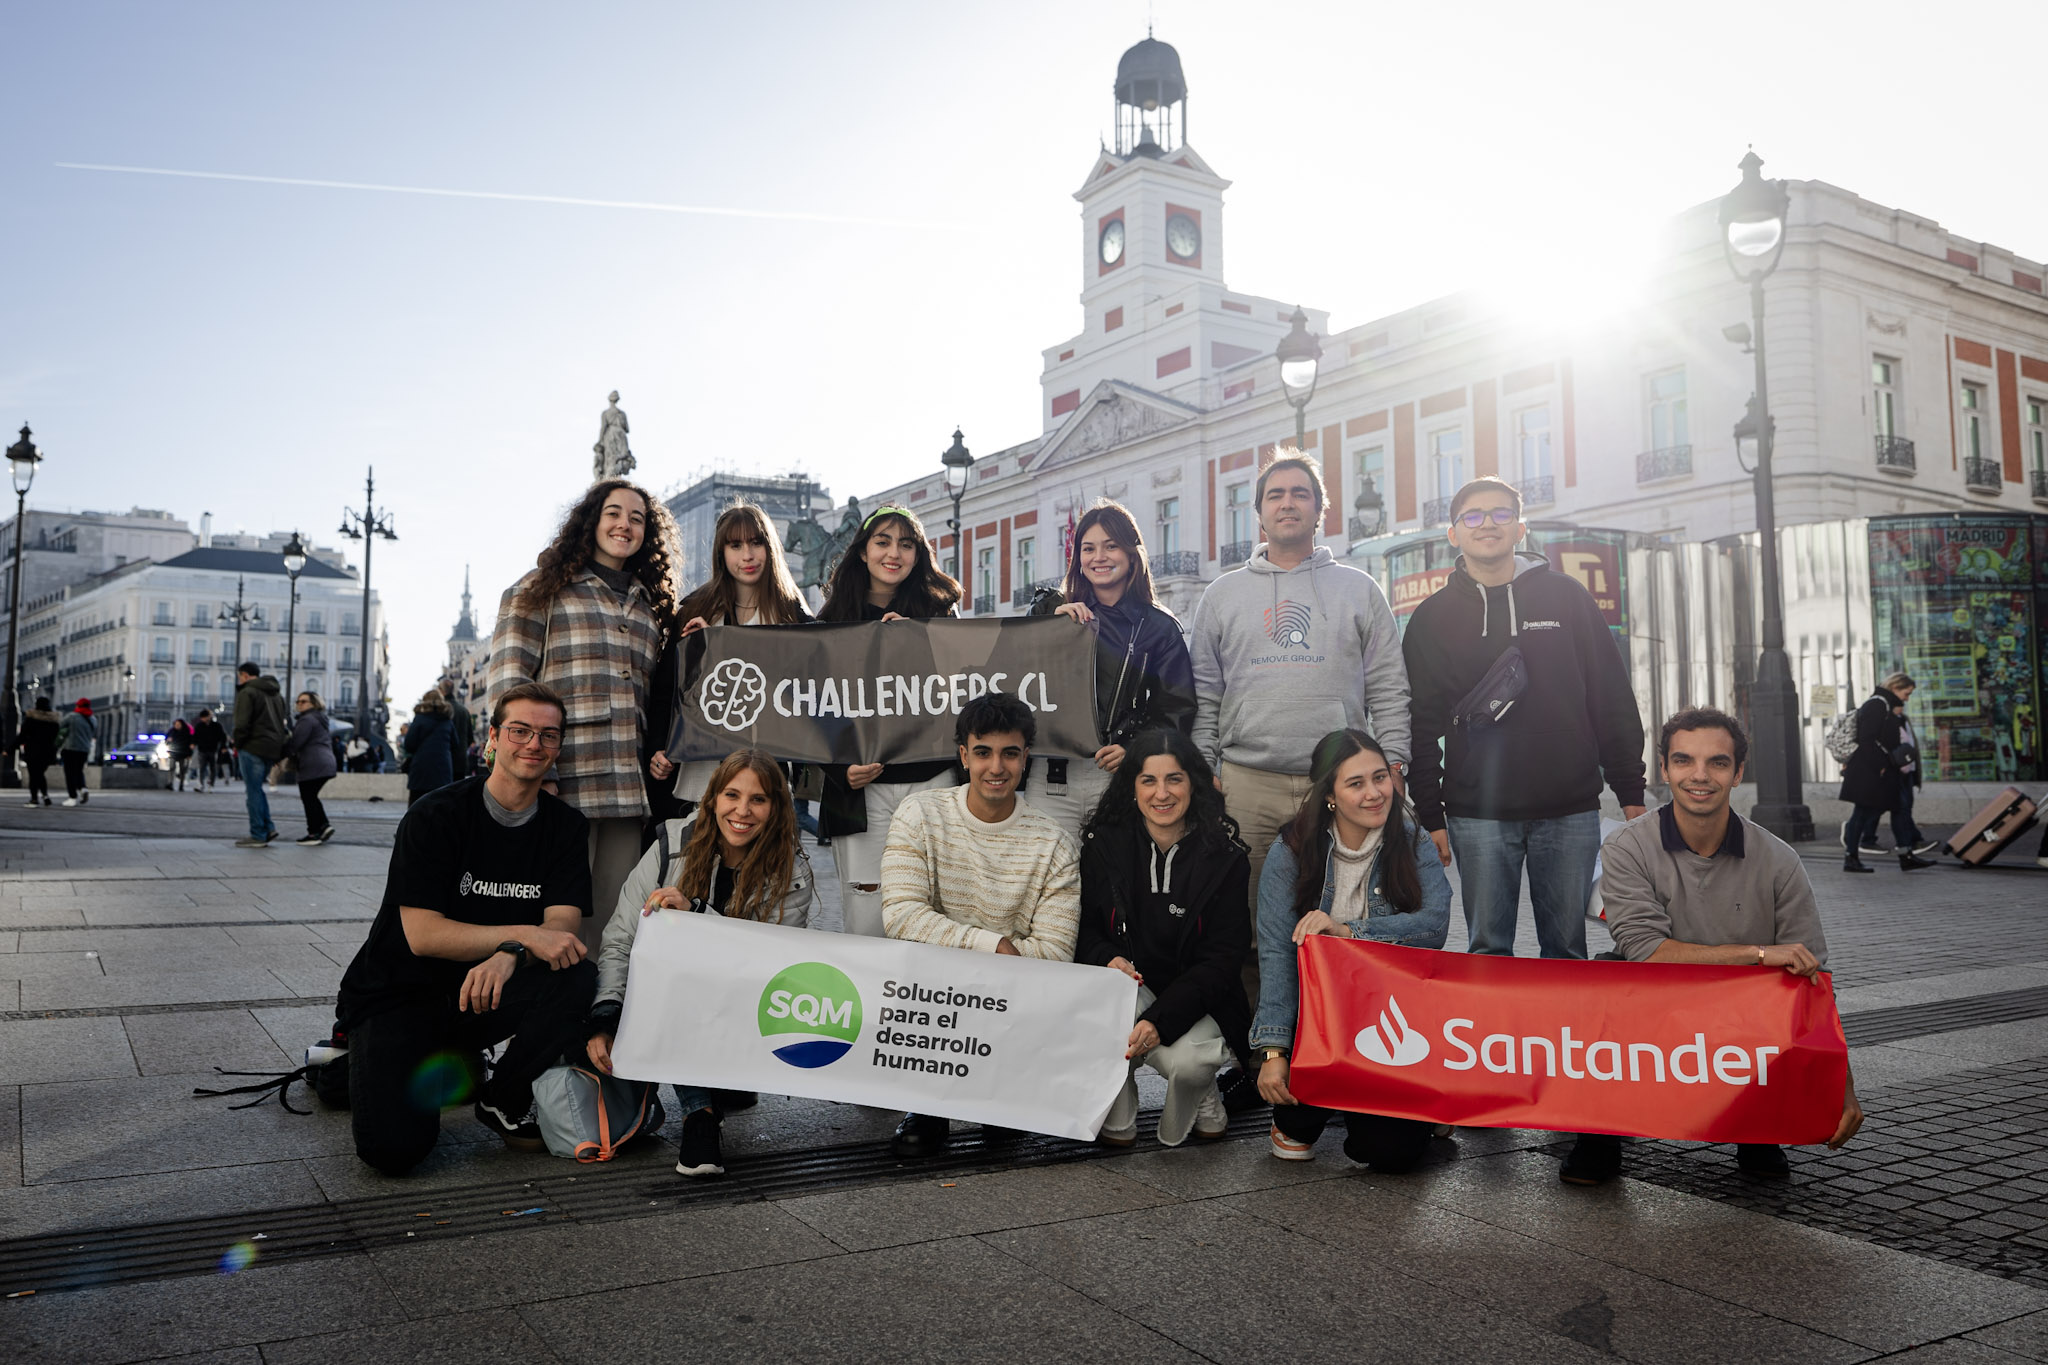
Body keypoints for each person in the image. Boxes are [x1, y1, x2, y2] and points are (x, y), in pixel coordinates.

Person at [1586, 706, 1864, 1185]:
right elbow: (1645, 950)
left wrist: (1843, 1084)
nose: (1699, 775)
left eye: (1717, 762)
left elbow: (1812, 980)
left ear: (1737, 774)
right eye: (1684, 760)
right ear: (1665, 769)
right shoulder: (1627, 846)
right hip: (1658, 1001)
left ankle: (1757, 1131)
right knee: (1601, 983)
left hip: (1742, 1009)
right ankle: (1598, 1134)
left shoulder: (1779, 859)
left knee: (1782, 992)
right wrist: (1758, 954)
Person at [335, 682, 595, 1175]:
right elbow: (424, 935)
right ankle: (348, 1063)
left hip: (481, 993)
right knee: (393, 1154)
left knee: (578, 976)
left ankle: (503, 1097)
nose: (534, 744)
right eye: (520, 731)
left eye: (547, 735)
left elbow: (561, 929)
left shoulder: (565, 825)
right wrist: (524, 936)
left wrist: (510, 952)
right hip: (400, 993)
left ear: (559, 747)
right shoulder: (435, 815)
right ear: (492, 738)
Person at [1403, 476, 1646, 959]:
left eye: (1501, 513)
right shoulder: (1431, 618)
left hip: (1570, 809)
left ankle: (1562, 1016)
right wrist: (1430, 813)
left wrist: (1631, 793)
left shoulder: (1568, 597)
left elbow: (1610, 697)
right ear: (1453, 533)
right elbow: (1421, 724)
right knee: (1488, 952)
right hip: (1477, 814)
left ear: (1520, 528)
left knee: (1567, 952)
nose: (1487, 524)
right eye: (1473, 515)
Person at [1189, 453, 1411, 899]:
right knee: (1246, 917)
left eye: (1299, 494)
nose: (1287, 503)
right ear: (1259, 513)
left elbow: (1389, 687)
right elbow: (1203, 694)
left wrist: (1394, 762)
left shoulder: (1360, 590)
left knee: (1339, 911)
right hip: (1246, 786)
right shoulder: (1220, 596)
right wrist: (1203, 768)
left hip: (1340, 781)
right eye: (1275, 495)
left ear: (1318, 509)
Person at [586, 749, 815, 1179]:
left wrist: (695, 913)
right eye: (732, 795)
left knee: (695, 965)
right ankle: (700, 1115)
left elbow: (772, 963)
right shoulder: (670, 845)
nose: (742, 811)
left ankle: (724, 1085)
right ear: (712, 798)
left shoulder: (793, 867)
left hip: (745, 1011)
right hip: (672, 1002)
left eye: (759, 799)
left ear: (777, 807)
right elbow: (619, 940)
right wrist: (607, 1017)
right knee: (669, 964)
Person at [879, 691, 1080, 1157]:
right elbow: (901, 916)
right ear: (963, 755)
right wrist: (992, 945)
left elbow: (1055, 953)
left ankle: (1001, 1092)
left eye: (1010, 753)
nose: (996, 767)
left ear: (1026, 759)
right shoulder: (919, 814)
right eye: (983, 752)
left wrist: (987, 955)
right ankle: (927, 1103)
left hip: (1009, 1000)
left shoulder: (1054, 843)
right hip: (932, 999)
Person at [489, 478, 682, 952]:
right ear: (591, 521)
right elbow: (510, 685)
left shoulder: (649, 605)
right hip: (561, 782)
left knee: (615, 919)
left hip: (626, 791)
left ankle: (599, 998)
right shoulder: (541, 589)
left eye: (637, 518)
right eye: (613, 513)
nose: (624, 525)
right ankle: (537, 998)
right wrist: (536, 770)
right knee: (547, 911)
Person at [1251, 729, 1452, 1170]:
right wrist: (1274, 1052)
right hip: (1322, 1020)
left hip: (1394, 1015)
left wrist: (1347, 931)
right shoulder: (1291, 851)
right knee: (1294, 1131)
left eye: (1380, 777)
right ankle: (1321, 1109)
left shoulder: (1412, 838)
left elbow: (1435, 926)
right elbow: (1277, 955)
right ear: (1330, 795)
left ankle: (1417, 1101)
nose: (1374, 793)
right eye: (1355, 783)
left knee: (1391, 1153)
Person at [1077, 728, 1248, 1148]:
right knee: (1110, 1010)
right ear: (1131, 786)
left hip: (1198, 1000)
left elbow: (1223, 960)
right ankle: (1118, 1113)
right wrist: (1106, 958)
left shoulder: (1226, 858)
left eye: (1174, 779)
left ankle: (1201, 1093)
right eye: (1148, 780)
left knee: (1188, 1064)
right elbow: (1084, 929)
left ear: (1194, 783)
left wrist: (1160, 1020)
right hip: (1127, 991)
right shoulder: (1103, 844)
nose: (1162, 793)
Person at [817, 505, 963, 936]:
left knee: (935, 908)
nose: (894, 553)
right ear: (863, 552)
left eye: (906, 544)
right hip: (859, 791)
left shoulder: (941, 613)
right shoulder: (830, 621)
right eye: (882, 542)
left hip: (932, 779)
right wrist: (839, 769)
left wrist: (920, 640)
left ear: (919, 555)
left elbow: (965, 687)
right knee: (865, 912)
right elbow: (812, 708)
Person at [1033, 500, 1197, 840]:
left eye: (1111, 546)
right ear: (1078, 558)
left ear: (1132, 554)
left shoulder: (1160, 628)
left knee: (1113, 872)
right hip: (1050, 776)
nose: (1099, 557)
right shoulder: (1052, 611)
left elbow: (1177, 709)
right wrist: (1048, 626)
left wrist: (1136, 747)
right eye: (1088, 548)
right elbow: (1016, 673)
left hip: (1117, 775)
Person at [666, 502, 813, 811]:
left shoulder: (793, 614)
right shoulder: (694, 610)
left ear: (769, 548)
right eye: (735, 545)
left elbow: (821, 678)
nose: (747, 555)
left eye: (756, 543)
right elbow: (668, 688)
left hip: (769, 773)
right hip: (703, 774)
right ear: (721, 552)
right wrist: (660, 747)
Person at [1839, 673, 1936, 874]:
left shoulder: (1885, 705)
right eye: (1906, 693)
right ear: (1895, 688)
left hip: (1884, 770)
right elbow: (1867, 739)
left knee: (1899, 808)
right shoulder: (1877, 705)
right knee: (1863, 813)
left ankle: (1905, 855)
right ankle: (1851, 857)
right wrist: (1882, 764)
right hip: (1872, 771)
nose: (1907, 699)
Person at [230, 664, 288, 844]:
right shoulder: (277, 695)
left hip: (252, 746)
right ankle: (268, 828)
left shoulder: (247, 692)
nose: (239, 680)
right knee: (257, 790)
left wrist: (238, 743)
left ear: (245, 675)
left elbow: (242, 723)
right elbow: (282, 723)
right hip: (272, 748)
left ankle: (258, 834)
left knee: (253, 792)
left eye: (240, 677)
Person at [282, 690, 339, 845]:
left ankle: (314, 833)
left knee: (308, 797)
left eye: (304, 701)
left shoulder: (307, 719)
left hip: (313, 763)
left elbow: (296, 742)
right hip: (325, 762)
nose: (299, 704)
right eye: (298, 701)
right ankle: (323, 826)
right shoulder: (319, 718)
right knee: (311, 796)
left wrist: (279, 755)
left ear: (314, 703)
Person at [403, 689, 463, 804]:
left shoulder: (419, 719)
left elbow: (409, 744)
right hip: (442, 769)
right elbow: (455, 745)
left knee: (417, 805)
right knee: (440, 805)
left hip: (421, 768)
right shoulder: (447, 721)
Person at [19, 697, 59, 808]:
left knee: (34, 775)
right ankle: (45, 795)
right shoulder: (53, 721)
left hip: (33, 751)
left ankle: (34, 799)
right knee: (39, 774)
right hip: (47, 752)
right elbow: (56, 738)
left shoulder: (31, 719)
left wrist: (10, 749)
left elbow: (22, 736)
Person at [57, 698, 97, 807]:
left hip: (70, 748)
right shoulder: (93, 719)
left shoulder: (72, 716)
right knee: (79, 770)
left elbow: (60, 726)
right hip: (84, 749)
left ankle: (72, 797)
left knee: (69, 773)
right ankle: (83, 788)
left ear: (78, 706)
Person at [440, 680, 476, 779]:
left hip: (443, 761)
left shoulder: (441, 709)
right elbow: (470, 738)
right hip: (460, 760)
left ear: (442, 691)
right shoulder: (464, 711)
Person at [193, 708, 227, 790]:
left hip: (213, 750)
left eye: (205, 717)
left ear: (209, 717)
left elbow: (222, 737)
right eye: (202, 718)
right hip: (202, 750)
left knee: (213, 768)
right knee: (201, 768)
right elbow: (195, 736)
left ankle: (211, 784)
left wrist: (223, 747)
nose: (203, 719)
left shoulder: (217, 726)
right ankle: (201, 784)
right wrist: (193, 743)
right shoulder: (199, 726)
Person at [166, 716, 196, 792]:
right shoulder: (172, 731)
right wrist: (168, 741)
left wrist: (189, 754)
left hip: (183, 753)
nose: (177, 726)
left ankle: (181, 785)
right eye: (176, 724)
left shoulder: (186, 732)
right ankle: (170, 783)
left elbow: (191, 744)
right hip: (173, 753)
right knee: (171, 767)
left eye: (178, 724)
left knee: (182, 770)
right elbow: (167, 740)